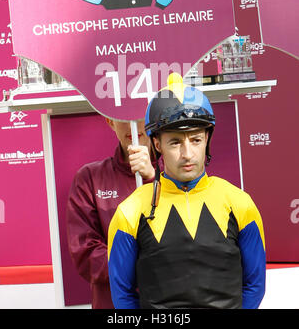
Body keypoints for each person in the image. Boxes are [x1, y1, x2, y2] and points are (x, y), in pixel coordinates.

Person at [108, 73, 266, 309]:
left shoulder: (240, 203)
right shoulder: (129, 212)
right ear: (157, 144)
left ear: (207, 140)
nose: (188, 154)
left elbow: (255, 285)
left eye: (195, 140)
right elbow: (122, 296)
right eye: (175, 142)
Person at [66, 117, 158, 309]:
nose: (132, 125)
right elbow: (85, 253)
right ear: (110, 121)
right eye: (121, 118)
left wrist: (152, 179)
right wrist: (139, 265)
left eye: (140, 116)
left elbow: (185, 238)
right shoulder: (90, 178)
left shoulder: (177, 175)